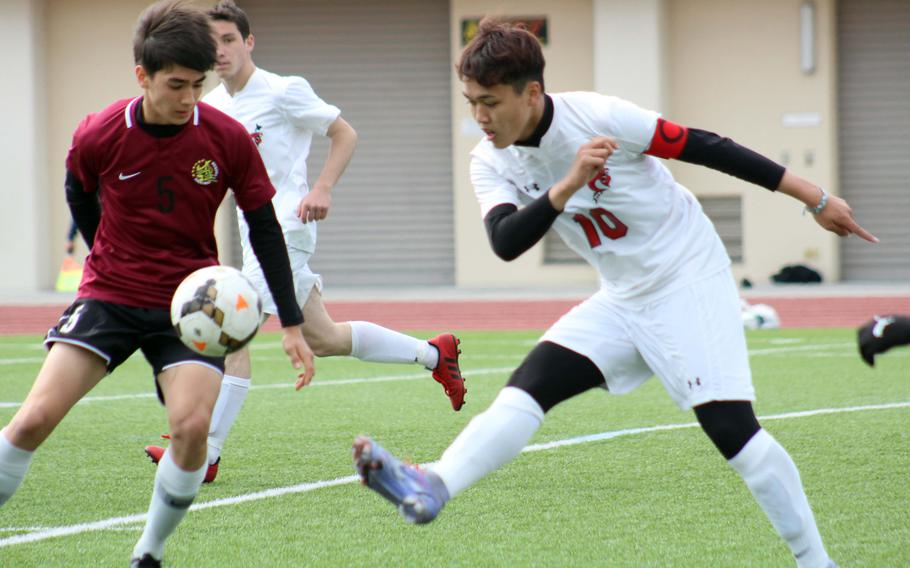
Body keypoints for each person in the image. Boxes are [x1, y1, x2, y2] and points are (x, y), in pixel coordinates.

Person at [352, 19, 878, 568]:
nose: (480, 118)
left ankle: (816, 561)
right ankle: (434, 485)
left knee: (730, 429)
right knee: (529, 387)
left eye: (490, 102)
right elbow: (506, 242)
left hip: (687, 277)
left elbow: (705, 146)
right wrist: (567, 186)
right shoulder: (490, 158)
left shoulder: (599, 116)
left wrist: (816, 198)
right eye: (471, 103)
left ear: (532, 93)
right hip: (623, 296)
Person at [0, 2, 315, 567]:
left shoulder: (227, 138)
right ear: (141, 75)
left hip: (192, 306)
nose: (190, 98)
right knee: (32, 420)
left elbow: (264, 228)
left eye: (199, 84)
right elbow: (78, 192)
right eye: (177, 85)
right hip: (110, 296)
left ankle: (149, 550)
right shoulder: (99, 132)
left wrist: (290, 321)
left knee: (192, 428)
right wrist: (105, 252)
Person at [143, 0, 466, 484]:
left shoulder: (283, 91)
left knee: (232, 332)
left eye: (230, 39)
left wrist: (322, 187)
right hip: (253, 234)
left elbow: (344, 133)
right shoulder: (211, 106)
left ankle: (205, 452)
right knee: (324, 337)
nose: (221, 50)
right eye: (212, 43)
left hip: (287, 229)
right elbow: (211, 173)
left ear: (249, 42)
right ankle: (435, 354)